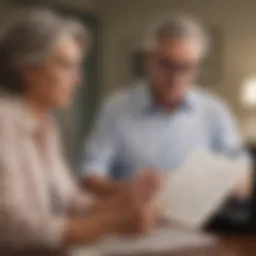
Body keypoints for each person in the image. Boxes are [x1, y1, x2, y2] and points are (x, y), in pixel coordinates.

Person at [0, 9, 160, 255]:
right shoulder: (4, 120)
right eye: (66, 65)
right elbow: (10, 226)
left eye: (78, 66)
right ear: (29, 68)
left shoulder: (47, 125)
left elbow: (71, 202)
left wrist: (126, 197)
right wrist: (111, 224)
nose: (78, 79)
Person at [81, 14, 252, 223]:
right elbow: (90, 175)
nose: (176, 78)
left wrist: (237, 181)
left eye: (187, 67)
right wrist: (131, 190)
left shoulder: (215, 111)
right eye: (167, 65)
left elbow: (240, 167)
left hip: (203, 229)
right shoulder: (116, 108)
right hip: (134, 224)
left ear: (197, 66)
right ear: (148, 60)